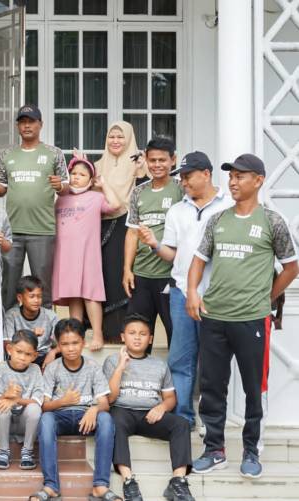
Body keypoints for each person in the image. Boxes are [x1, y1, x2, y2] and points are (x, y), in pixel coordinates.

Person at [188, 154, 298, 478]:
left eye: (240, 176)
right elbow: (198, 260)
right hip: (214, 317)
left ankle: (251, 451)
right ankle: (214, 450)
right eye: (231, 176)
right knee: (212, 386)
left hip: (252, 320)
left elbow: (291, 267)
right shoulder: (217, 220)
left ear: (258, 180)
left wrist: (268, 296)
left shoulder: (272, 221)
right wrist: (192, 292)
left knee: (254, 388)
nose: (233, 182)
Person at [137, 151, 233, 426]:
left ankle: (212, 421)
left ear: (206, 174)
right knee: (180, 359)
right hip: (181, 292)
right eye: (181, 177)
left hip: (216, 294)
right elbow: (173, 255)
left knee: (213, 360)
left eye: (189, 176)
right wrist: (155, 244)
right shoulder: (177, 210)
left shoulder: (229, 205)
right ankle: (183, 418)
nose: (184, 182)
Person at [103, 313, 194, 501]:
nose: (137, 337)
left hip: (150, 414)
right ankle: (128, 480)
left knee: (182, 424)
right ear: (123, 337)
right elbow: (110, 398)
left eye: (143, 334)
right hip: (122, 411)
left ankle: (178, 481)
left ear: (150, 339)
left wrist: (161, 408)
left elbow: (170, 398)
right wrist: (121, 367)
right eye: (132, 333)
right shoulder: (112, 361)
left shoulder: (159, 364)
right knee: (114, 421)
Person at [34, 318, 119, 501]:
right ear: (58, 345)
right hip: (60, 417)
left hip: (86, 418)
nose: (71, 348)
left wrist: (93, 410)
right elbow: (44, 406)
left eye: (75, 343)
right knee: (46, 420)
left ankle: (100, 486)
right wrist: (63, 401)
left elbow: (104, 403)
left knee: (106, 419)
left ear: (83, 343)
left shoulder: (93, 367)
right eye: (65, 344)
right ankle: (51, 486)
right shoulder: (52, 368)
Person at [0, 105, 68, 311]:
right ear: (17, 126)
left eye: (31, 122)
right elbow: (1, 188)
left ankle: (45, 326)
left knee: (42, 284)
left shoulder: (54, 153)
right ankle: (8, 325)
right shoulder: (7, 154)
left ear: (40, 124)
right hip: (12, 230)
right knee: (9, 284)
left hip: (42, 230)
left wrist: (60, 186)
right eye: (23, 122)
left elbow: (66, 187)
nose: (27, 126)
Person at [53, 157, 122, 351]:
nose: (76, 177)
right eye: (73, 174)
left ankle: (98, 334)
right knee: (74, 295)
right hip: (65, 254)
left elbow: (115, 205)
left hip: (87, 253)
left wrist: (103, 185)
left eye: (82, 175)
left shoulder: (96, 197)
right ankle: (77, 335)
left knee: (90, 293)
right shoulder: (61, 199)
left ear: (91, 180)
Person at [124, 137, 183, 347]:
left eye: (162, 160)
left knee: (175, 336)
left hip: (170, 275)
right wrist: (127, 270)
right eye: (152, 160)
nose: (157, 165)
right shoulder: (139, 191)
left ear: (173, 160)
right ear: (146, 160)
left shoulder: (182, 189)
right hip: (141, 275)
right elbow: (132, 233)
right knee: (138, 335)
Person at [94, 122, 149, 341]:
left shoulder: (138, 164)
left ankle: (125, 331)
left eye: (120, 137)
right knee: (104, 276)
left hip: (126, 226)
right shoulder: (98, 165)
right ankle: (106, 330)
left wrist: (141, 171)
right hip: (100, 226)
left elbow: (145, 193)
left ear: (129, 139)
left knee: (122, 276)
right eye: (111, 137)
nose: (115, 141)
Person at [0, 330, 44, 471]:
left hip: (24, 423)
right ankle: (3, 451)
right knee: (1, 405)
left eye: (28, 354)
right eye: (19, 352)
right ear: (9, 349)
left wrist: (16, 400)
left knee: (35, 409)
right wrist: (6, 395)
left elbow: (38, 400)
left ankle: (27, 451)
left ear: (34, 356)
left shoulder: (35, 370)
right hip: (3, 424)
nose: (22, 357)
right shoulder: (0, 368)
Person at [3, 276, 59, 368]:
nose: (36, 300)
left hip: (44, 356)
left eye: (39, 296)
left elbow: (62, 342)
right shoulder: (11, 315)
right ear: (20, 298)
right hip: (22, 355)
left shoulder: (51, 316)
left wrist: (53, 352)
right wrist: (30, 335)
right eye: (32, 296)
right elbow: (7, 343)